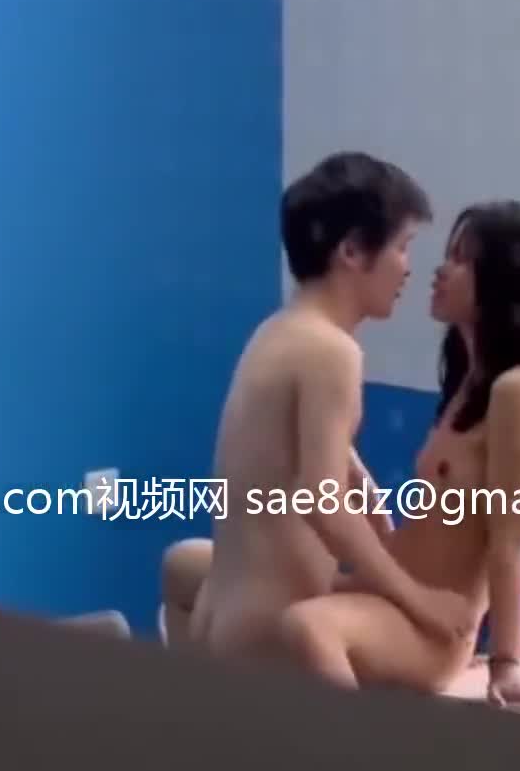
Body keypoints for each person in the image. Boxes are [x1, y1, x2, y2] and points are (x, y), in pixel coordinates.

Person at [276, 200, 520, 707]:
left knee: (307, 626)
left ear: (505, 281)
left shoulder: (518, 391)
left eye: (462, 259)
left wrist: (505, 664)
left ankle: (356, 755)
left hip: (432, 632)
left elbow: (509, 542)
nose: (440, 270)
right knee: (229, 579)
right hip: (394, 598)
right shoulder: (470, 383)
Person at [161, 152, 479, 664]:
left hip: (223, 617)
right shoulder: (333, 353)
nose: (407, 268)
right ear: (351, 251)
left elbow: (323, 461)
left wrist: (377, 516)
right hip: (268, 636)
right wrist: (418, 599)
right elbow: (322, 502)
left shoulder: (277, 332)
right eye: (402, 247)